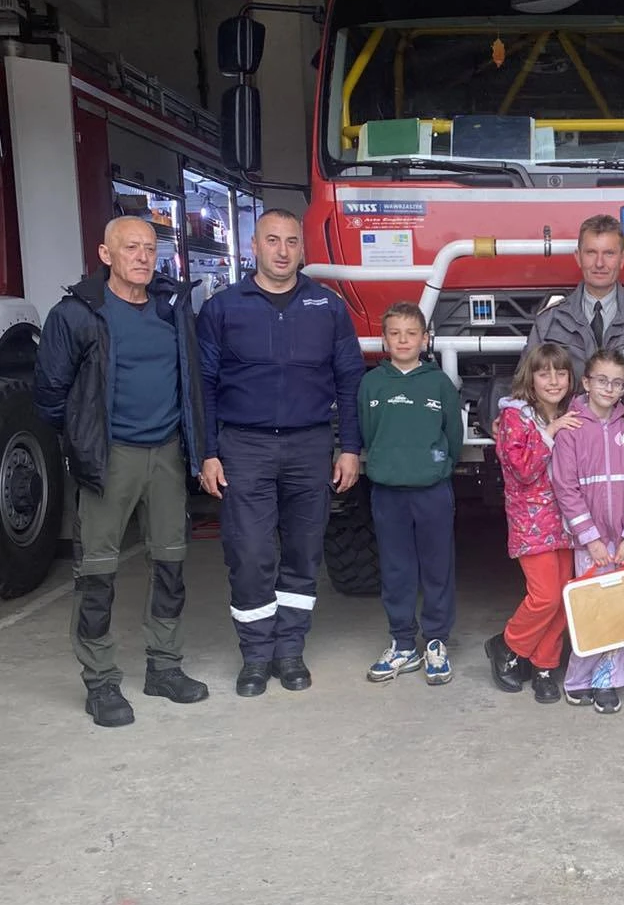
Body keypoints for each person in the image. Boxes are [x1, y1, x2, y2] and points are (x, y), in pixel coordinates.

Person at [33, 216, 208, 727]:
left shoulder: (171, 307)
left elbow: (191, 379)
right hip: (110, 457)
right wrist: (84, 439)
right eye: (130, 247)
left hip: (167, 454)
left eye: (150, 248)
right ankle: (101, 681)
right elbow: (50, 394)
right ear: (105, 254)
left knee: (171, 564)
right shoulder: (77, 314)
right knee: (97, 572)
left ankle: (165, 667)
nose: (143, 257)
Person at [196, 208, 364, 696]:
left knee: (304, 551)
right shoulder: (223, 308)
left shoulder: (328, 307)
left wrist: (350, 448)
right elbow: (203, 386)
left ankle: (289, 651)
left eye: (292, 241)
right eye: (272, 240)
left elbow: (349, 379)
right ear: (253, 247)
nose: (283, 251)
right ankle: (255, 655)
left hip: (310, 444)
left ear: (302, 249)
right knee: (249, 553)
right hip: (243, 445)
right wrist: (207, 452)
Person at [358, 302, 463, 688]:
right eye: (395, 333)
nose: (403, 340)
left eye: (411, 333)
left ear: (425, 338)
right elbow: (368, 432)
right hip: (388, 491)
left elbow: (453, 437)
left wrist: (435, 468)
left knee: (437, 567)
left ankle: (436, 641)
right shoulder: (372, 384)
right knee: (396, 568)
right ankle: (403, 643)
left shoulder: (439, 384)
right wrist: (389, 462)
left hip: (432, 491)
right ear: (384, 340)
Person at [551, 348, 624, 715]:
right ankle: (577, 679)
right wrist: (589, 539)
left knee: (620, 610)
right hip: (589, 542)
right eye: (602, 380)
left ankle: (607, 681)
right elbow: (566, 488)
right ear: (586, 383)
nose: (609, 388)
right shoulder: (571, 429)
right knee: (592, 610)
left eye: (617, 382)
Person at [486, 341, 579, 703]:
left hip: (569, 520)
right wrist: (551, 432)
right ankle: (507, 644)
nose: (553, 381)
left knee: (564, 598)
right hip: (533, 522)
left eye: (561, 373)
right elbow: (523, 470)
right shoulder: (515, 417)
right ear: (531, 378)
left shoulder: (574, 411)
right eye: (544, 374)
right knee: (545, 597)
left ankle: (545, 665)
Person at [525, 213, 624, 406]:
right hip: (565, 424)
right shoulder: (549, 322)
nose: (599, 263)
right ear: (578, 257)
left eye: (609, 253)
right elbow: (526, 385)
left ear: (623, 258)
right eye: (591, 252)